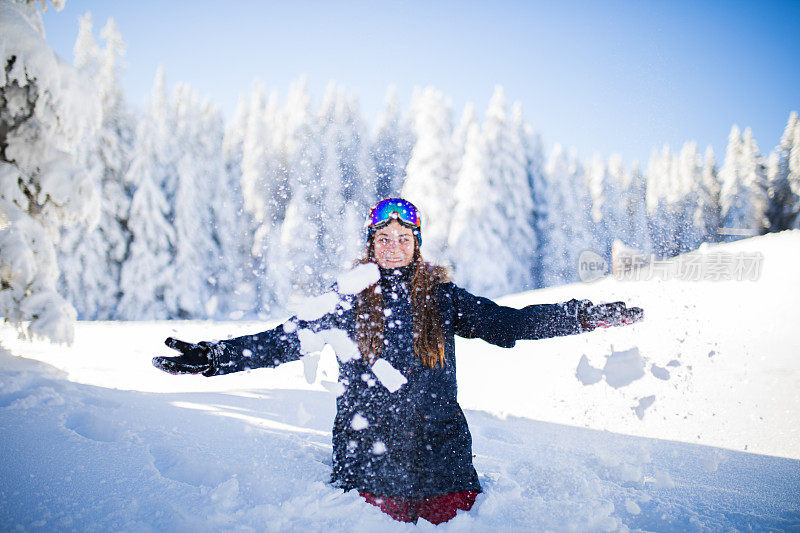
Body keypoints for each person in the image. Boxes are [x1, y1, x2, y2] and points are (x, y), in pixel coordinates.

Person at [153, 197, 643, 525]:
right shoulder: (345, 300)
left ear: (417, 245)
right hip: (369, 462)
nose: (393, 247)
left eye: (403, 239)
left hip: (444, 461)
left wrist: (583, 314)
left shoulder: (442, 297)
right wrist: (216, 357)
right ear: (371, 245)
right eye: (383, 239)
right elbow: (282, 342)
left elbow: (509, 324)